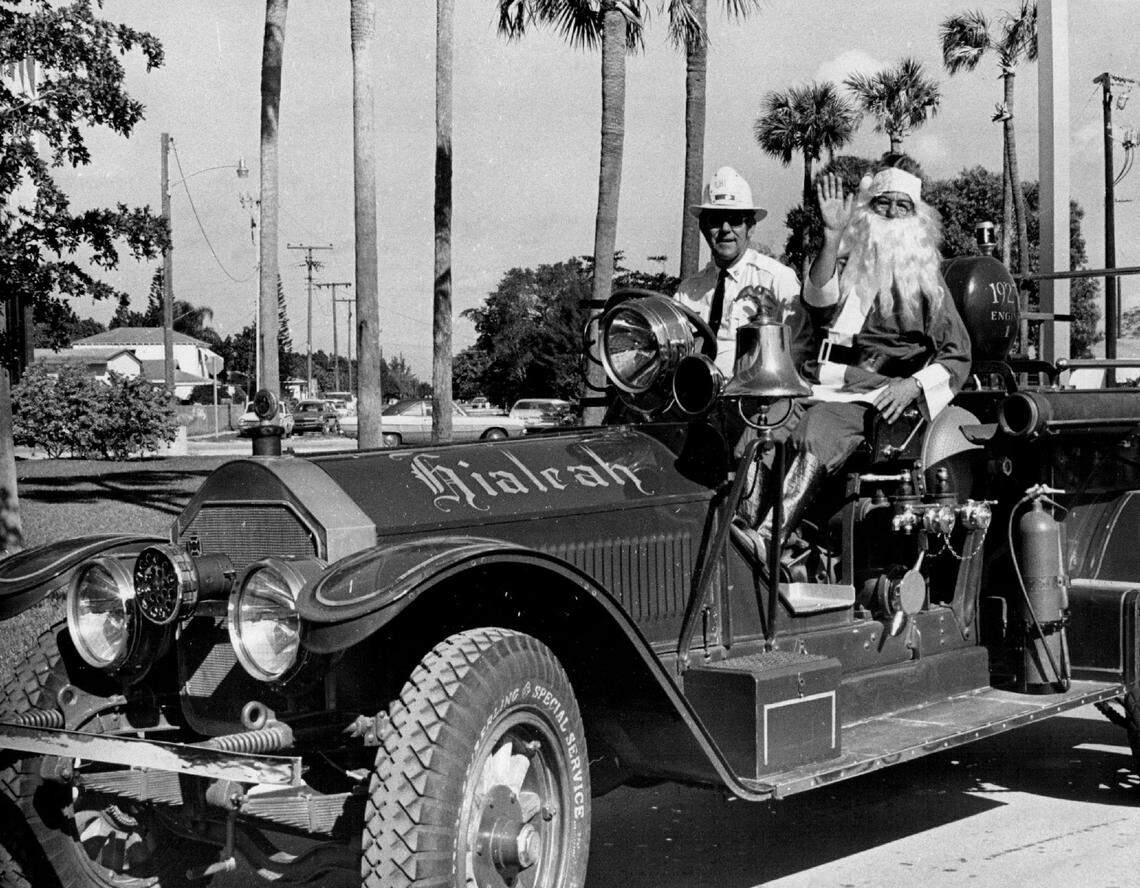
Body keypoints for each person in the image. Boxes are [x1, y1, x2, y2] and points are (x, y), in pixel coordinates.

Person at [733, 165, 972, 565]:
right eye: (883, 204)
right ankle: (740, 527)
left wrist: (912, 385)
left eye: (902, 206)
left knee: (816, 431)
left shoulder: (927, 281)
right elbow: (816, 300)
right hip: (819, 381)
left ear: (916, 217)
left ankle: (771, 539)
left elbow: (957, 354)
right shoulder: (848, 262)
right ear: (867, 209)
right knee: (762, 423)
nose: (892, 214)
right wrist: (830, 238)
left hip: (876, 396)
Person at [675, 166, 811, 378]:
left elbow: (800, 346)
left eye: (735, 219)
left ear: (751, 227)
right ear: (703, 227)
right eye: (716, 220)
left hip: (754, 398)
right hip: (694, 398)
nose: (726, 229)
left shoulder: (776, 279)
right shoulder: (688, 291)